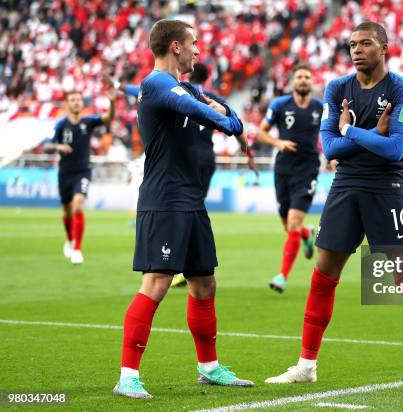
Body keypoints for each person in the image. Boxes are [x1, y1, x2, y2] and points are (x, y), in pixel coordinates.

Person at [265, 22, 403, 394]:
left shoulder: (402, 90)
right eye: (352, 45)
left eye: (365, 43)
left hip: (388, 186)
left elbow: (395, 149)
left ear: (384, 48)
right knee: (324, 273)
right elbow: (329, 149)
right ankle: (306, 364)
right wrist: (371, 136)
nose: (356, 50)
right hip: (346, 184)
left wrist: (351, 131)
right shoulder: (337, 88)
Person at [113, 19, 253, 399]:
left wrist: (224, 117)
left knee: (204, 283)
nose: (197, 51)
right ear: (175, 46)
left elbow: (235, 122)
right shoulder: (156, 84)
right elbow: (216, 117)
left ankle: (208, 367)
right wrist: (220, 115)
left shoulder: (191, 88)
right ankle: (128, 375)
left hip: (191, 200)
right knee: (156, 283)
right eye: (193, 43)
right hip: (164, 200)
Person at [257, 64, 323, 292]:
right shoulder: (279, 105)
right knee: (289, 226)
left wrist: (333, 156)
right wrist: (278, 143)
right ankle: (307, 234)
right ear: (292, 82)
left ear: (311, 82)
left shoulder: (320, 108)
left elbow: (331, 131)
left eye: (307, 77)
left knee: (294, 221)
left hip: (308, 169)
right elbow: (261, 131)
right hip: (283, 169)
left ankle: (282, 276)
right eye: (299, 77)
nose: (303, 80)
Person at [44, 84, 116, 264]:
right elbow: (47, 145)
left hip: (83, 171)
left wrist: (112, 101)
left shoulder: (88, 121)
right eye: (72, 100)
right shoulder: (61, 124)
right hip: (65, 173)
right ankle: (69, 239)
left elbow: (108, 117)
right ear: (67, 104)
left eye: (78, 100)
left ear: (82, 103)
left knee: (78, 205)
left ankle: (77, 249)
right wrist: (58, 146)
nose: (76, 102)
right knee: (67, 211)